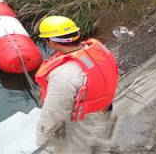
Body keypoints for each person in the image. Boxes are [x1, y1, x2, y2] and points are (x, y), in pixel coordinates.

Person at [35, 16, 119, 154]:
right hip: (105, 111)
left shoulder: (63, 74)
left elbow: (55, 112)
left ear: (52, 42)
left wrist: (43, 140)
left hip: (83, 126)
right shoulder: (97, 50)